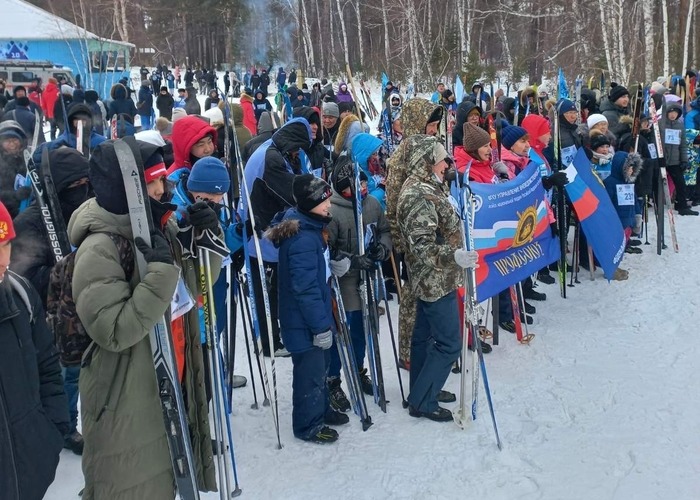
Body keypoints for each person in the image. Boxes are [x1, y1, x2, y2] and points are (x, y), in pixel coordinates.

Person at [70, 139, 217, 498]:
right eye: (152, 181)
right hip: (128, 403)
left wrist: (204, 238)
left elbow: (196, 288)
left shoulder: (157, 229)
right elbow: (114, 330)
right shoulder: (99, 248)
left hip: (172, 378)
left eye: (163, 179)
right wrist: (162, 272)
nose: (162, 189)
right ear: (126, 189)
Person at [396, 135, 478, 421]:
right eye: (443, 159)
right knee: (449, 343)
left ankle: (423, 388)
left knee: (423, 338)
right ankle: (423, 400)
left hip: (436, 277)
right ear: (427, 161)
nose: (448, 163)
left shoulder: (429, 186)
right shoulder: (418, 195)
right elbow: (422, 247)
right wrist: (453, 256)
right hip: (434, 279)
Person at [265, 174, 348, 443]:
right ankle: (307, 426)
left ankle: (321, 410)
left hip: (315, 316)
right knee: (309, 375)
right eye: (324, 201)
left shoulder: (312, 227)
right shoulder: (302, 238)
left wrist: (330, 267)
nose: (329, 206)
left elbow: (314, 272)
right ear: (309, 203)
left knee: (321, 368)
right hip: (304, 323)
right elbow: (305, 289)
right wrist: (320, 327)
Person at [0, 200, 69, 499]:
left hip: (28, 471)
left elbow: (48, 366)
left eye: (5, 245)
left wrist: (50, 432)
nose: (3, 259)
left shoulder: (21, 295)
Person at [238, 117, 313, 357]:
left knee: (272, 287)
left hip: (265, 227)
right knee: (266, 290)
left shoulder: (273, 149)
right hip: (261, 232)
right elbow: (290, 192)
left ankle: (273, 335)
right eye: (297, 148)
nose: (297, 153)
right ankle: (269, 340)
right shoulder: (270, 158)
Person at [326, 157, 392, 409]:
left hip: (368, 279)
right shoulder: (332, 211)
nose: (362, 189)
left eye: (364, 183)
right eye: (356, 186)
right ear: (343, 189)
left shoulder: (372, 204)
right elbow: (328, 250)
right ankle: (333, 379)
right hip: (343, 282)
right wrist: (354, 261)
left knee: (362, 328)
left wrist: (382, 249)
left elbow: (384, 230)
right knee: (341, 329)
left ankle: (358, 368)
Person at [660, 101, 698, 215]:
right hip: (661, 159)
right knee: (658, 182)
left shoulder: (680, 126)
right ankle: (657, 204)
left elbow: (683, 145)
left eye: (675, 112)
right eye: (671, 112)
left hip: (675, 160)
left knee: (680, 183)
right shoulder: (660, 124)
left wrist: (684, 160)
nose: (673, 115)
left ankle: (681, 206)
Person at [0, 121, 31, 217]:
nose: (12, 144)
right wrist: (14, 195)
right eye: (7, 141)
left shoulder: (30, 157)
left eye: (15, 140)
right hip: (7, 214)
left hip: (31, 210)